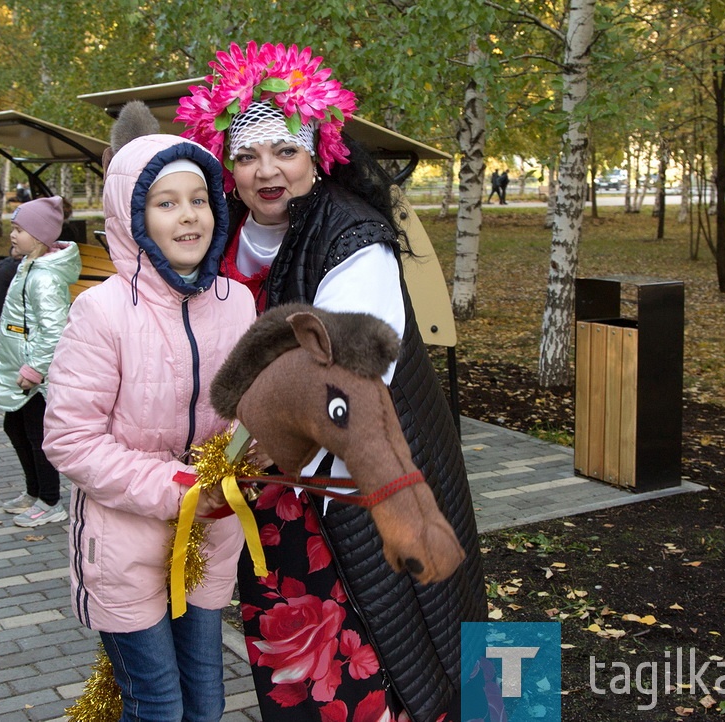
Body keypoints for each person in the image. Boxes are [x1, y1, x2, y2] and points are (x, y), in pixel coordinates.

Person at [178, 41, 487, 722]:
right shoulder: (217, 236)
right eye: (248, 154)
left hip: (356, 479)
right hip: (273, 494)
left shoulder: (353, 238)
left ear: (320, 152)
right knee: (296, 660)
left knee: (390, 647)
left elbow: (348, 379)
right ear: (225, 161)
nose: (267, 172)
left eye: (285, 151)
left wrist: (227, 462)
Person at [42, 101, 256, 722]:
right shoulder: (102, 312)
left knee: (207, 703)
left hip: (208, 541)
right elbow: (71, 440)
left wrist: (256, 443)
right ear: (133, 217)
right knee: (157, 706)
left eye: (199, 199)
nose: (188, 215)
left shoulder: (236, 303)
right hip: (124, 541)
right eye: (166, 202)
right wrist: (182, 488)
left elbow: (246, 411)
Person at [0, 195, 81, 528]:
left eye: (19, 230)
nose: (13, 235)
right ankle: (33, 491)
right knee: (14, 427)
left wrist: (35, 370)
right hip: (18, 365)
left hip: (33, 375)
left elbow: (54, 331)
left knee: (37, 435)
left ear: (39, 237)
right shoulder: (29, 266)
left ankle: (51, 500)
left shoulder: (44, 278)